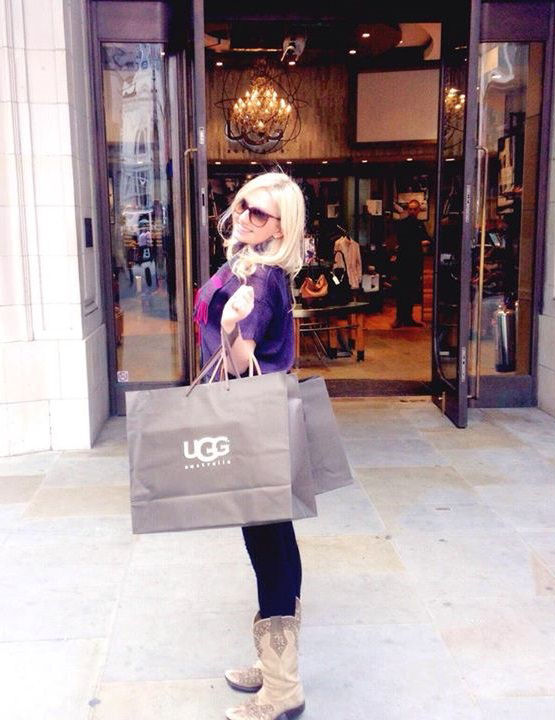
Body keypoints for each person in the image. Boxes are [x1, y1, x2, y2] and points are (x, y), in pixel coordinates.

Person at [193, 172, 306, 720]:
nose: (243, 215)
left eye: (259, 212)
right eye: (241, 204)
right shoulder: (254, 265)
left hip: (251, 421)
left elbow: (240, 362)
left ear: (281, 227)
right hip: (263, 420)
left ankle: (282, 690)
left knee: (266, 545)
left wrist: (232, 326)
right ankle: (276, 667)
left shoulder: (259, 276)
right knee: (276, 538)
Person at [391, 198, 429, 327]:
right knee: (401, 290)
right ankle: (399, 318)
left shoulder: (420, 224)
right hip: (404, 261)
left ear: (418, 210)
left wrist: (417, 242)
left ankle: (408, 318)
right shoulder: (402, 224)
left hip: (415, 262)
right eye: (410, 209)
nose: (412, 211)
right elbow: (404, 241)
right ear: (408, 210)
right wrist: (418, 242)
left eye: (414, 209)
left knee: (412, 291)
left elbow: (428, 239)